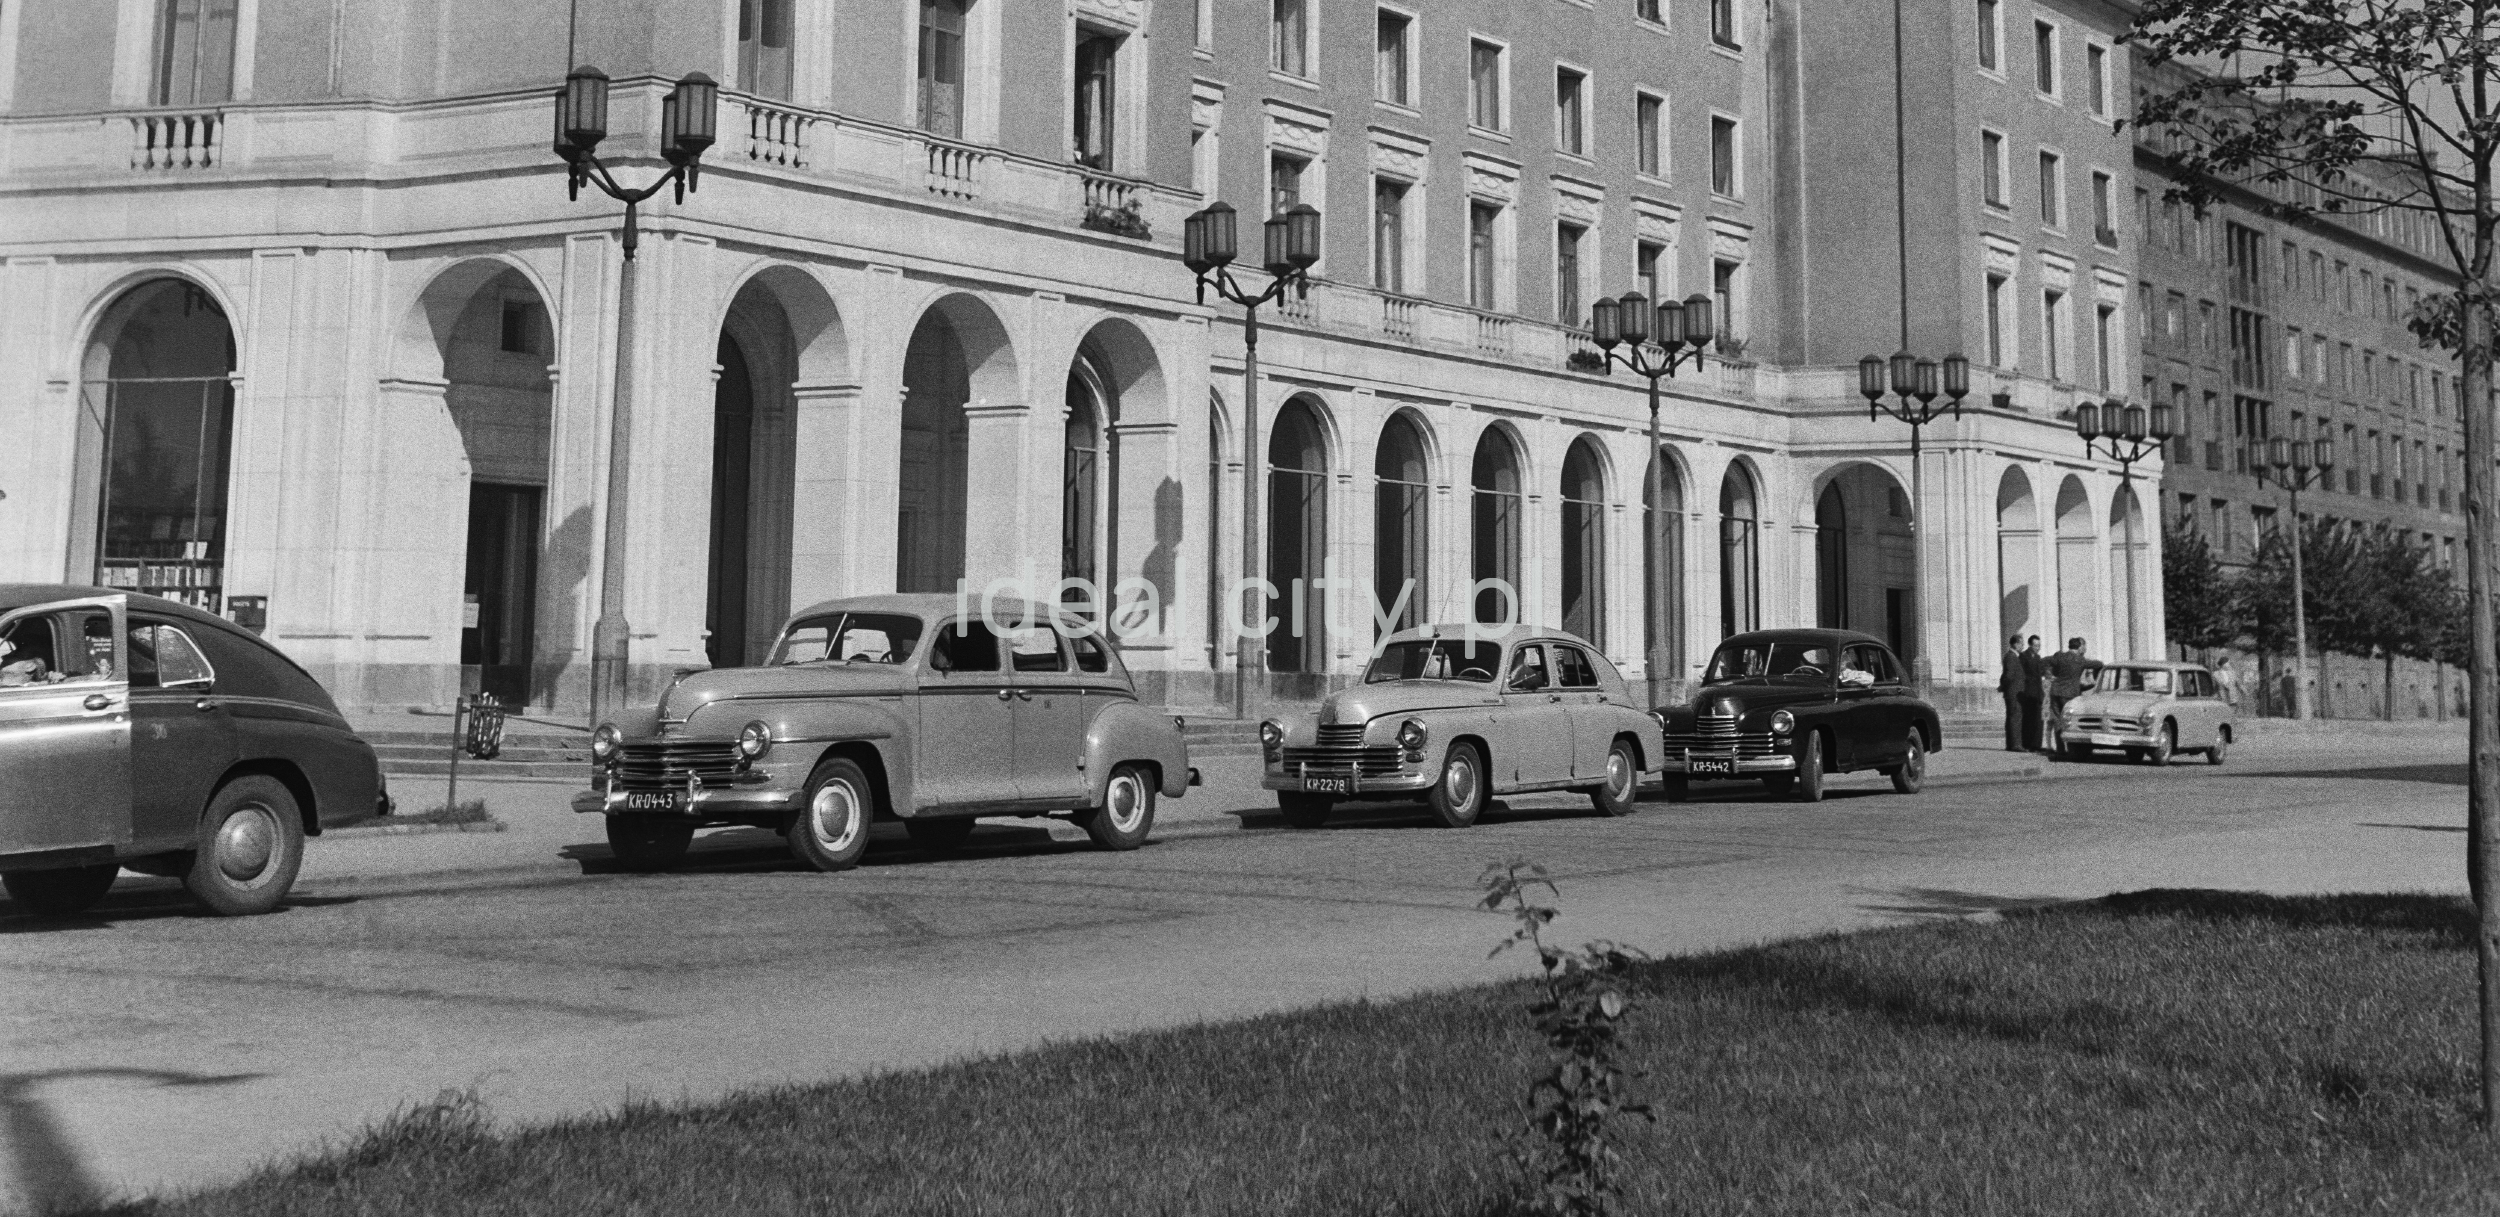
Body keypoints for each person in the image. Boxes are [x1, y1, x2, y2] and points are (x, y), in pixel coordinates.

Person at [2046, 636, 2099, 740]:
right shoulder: (2080, 660)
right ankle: (2070, 745)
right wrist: (2095, 680)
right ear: (2079, 647)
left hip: (2055, 691)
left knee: (2058, 720)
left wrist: (2049, 675)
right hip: (2069, 694)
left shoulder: (2059, 656)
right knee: (2070, 720)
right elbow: (2098, 664)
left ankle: (2060, 749)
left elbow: (2045, 662)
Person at [2018, 636, 2046, 752]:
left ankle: (2036, 745)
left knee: (2038, 720)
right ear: (2030, 645)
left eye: (2039, 645)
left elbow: (2040, 673)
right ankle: (2027, 744)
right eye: (2035, 645)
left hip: (2038, 693)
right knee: (2029, 719)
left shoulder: (2038, 657)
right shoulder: (2024, 656)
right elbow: (2022, 674)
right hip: (2028, 692)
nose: (2037, 648)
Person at [1998, 633, 2026, 751]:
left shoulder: (2013, 656)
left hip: (2012, 692)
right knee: (2015, 718)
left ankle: (2011, 744)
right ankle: (2015, 744)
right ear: (2015, 644)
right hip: (2014, 693)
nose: (2022, 646)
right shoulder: (2011, 657)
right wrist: (2004, 686)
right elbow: (2008, 676)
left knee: (2012, 717)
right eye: (2021, 644)